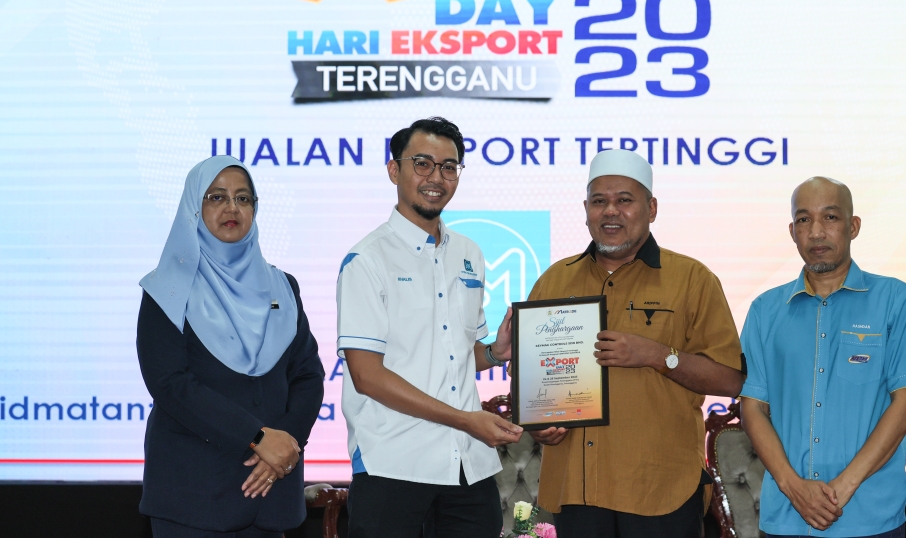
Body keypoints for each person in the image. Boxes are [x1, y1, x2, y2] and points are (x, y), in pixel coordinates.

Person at [527, 149, 745, 538]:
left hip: (659, 488)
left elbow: (730, 380)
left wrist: (659, 356)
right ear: (586, 209)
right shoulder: (554, 280)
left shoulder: (693, 279)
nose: (611, 211)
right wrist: (540, 424)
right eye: (600, 201)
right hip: (576, 490)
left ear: (652, 207)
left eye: (625, 200)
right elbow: (540, 383)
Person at [336, 117, 523, 538]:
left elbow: (458, 356)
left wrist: (495, 352)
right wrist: (464, 419)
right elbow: (367, 376)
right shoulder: (367, 260)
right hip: (394, 464)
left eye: (449, 166)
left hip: (467, 467)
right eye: (422, 163)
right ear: (393, 171)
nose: (436, 177)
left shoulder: (469, 253)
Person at [136, 155, 325, 538]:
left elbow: (308, 375)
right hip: (193, 496)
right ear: (194, 206)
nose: (232, 208)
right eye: (216, 197)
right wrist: (258, 439)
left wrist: (284, 446)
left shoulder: (282, 287)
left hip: (271, 490)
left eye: (243, 198)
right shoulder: (166, 289)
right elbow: (171, 384)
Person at [739, 177, 906, 538]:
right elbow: (753, 407)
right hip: (786, 516)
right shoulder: (765, 310)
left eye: (830, 218)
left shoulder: (896, 300)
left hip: (868, 515)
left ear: (853, 226)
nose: (816, 232)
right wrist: (794, 488)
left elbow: (905, 406)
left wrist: (841, 489)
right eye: (803, 220)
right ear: (792, 231)